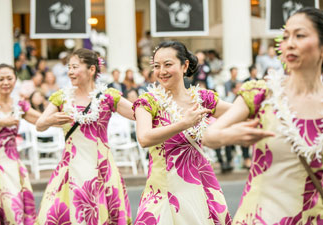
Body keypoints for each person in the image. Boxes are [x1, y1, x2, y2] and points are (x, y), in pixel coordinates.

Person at [202, 7, 323, 224]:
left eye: (300, 35)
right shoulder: (262, 94)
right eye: (285, 37)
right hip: (262, 218)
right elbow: (210, 135)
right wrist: (229, 136)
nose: (290, 43)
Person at [133, 41, 232, 224]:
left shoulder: (201, 98)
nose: (161, 71)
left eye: (168, 64)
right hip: (165, 190)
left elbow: (237, 112)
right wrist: (184, 123)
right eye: (157, 66)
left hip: (202, 185)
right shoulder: (147, 102)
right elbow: (144, 138)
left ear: (185, 65)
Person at [35, 48, 133, 224]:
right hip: (70, 166)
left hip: (101, 166)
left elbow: (137, 114)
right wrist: (51, 119)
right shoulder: (61, 97)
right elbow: (40, 125)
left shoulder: (108, 97)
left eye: (75, 67)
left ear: (92, 70)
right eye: (69, 67)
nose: (70, 72)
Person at [0, 64, 40, 224]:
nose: (5, 82)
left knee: (13, 208)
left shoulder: (20, 105)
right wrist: (3, 121)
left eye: (9, 78)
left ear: (15, 80)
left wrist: (63, 117)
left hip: (12, 165)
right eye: (1, 79)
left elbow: (40, 119)